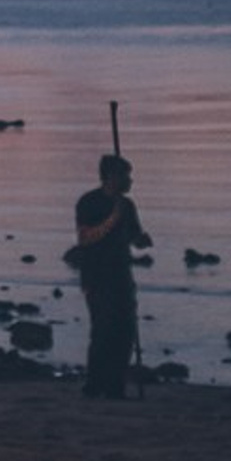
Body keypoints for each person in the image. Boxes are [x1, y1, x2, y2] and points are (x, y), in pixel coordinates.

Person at [70, 153, 151, 398]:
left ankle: (116, 385)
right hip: (97, 276)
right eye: (126, 176)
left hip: (121, 274)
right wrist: (112, 219)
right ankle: (95, 384)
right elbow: (85, 237)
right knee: (103, 330)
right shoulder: (89, 202)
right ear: (112, 177)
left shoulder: (128, 206)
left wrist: (141, 241)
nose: (130, 181)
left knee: (125, 331)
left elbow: (134, 236)